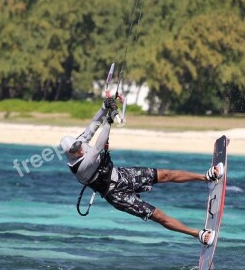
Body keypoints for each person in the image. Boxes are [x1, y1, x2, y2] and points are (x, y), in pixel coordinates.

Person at [59, 98, 224, 246]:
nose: (79, 150)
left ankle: (206, 177)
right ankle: (198, 234)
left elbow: (94, 125)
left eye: (78, 146)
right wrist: (108, 122)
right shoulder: (78, 168)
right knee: (158, 215)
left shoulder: (79, 142)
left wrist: (104, 107)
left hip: (122, 175)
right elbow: (97, 148)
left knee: (165, 174)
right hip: (116, 195)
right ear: (69, 154)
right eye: (74, 151)